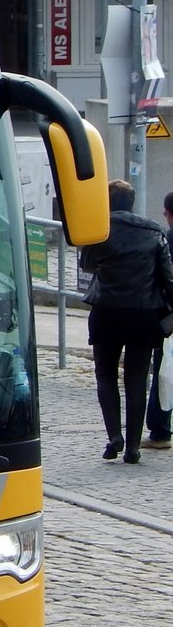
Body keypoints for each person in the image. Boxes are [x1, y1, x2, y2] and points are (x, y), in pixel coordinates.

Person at [80, 180, 173, 464]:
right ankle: (133, 445)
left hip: (107, 309)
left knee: (105, 375)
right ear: (132, 202)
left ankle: (113, 436)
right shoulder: (154, 231)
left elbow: (86, 264)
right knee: (136, 378)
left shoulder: (100, 230)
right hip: (144, 312)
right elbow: (167, 275)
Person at [146, 190, 173, 449]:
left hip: (169, 319)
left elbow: (164, 279)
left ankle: (160, 430)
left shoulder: (167, 240)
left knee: (164, 371)